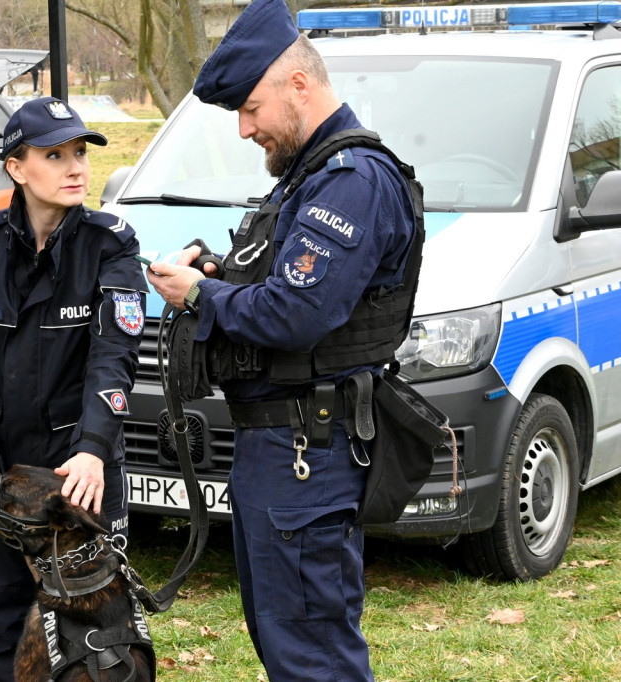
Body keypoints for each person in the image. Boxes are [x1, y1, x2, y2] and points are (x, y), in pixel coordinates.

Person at [144, 0, 419, 679]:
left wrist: (200, 294)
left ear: (300, 83)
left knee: (310, 657)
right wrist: (218, 273)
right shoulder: (310, 177)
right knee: (288, 644)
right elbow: (279, 284)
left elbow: (297, 314)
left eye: (250, 108)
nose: (244, 129)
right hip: (285, 452)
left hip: (308, 455)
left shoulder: (351, 181)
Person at [0, 96, 146, 681]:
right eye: (54, 155)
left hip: (77, 467)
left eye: (80, 152)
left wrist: (93, 449)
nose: (76, 167)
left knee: (95, 634)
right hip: (2, 466)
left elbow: (115, 353)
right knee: (4, 628)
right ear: (16, 167)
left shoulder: (110, 243)